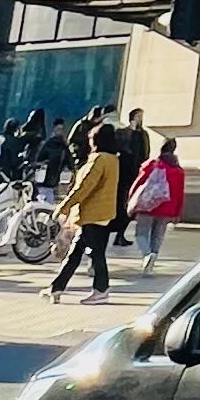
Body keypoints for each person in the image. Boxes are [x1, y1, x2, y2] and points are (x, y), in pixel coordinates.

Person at [48, 121, 125, 296]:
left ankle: (101, 289)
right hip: (101, 213)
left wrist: (64, 206)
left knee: (95, 254)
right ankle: (57, 288)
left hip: (92, 213)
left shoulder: (99, 159)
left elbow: (84, 187)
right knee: (76, 254)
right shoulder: (113, 159)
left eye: (91, 137)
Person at [124, 134, 184, 267]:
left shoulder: (152, 164)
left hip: (147, 205)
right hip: (167, 208)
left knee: (141, 233)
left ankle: (147, 254)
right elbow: (180, 194)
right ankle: (153, 257)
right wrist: (177, 213)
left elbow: (138, 183)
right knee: (158, 236)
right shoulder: (178, 170)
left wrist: (131, 200)